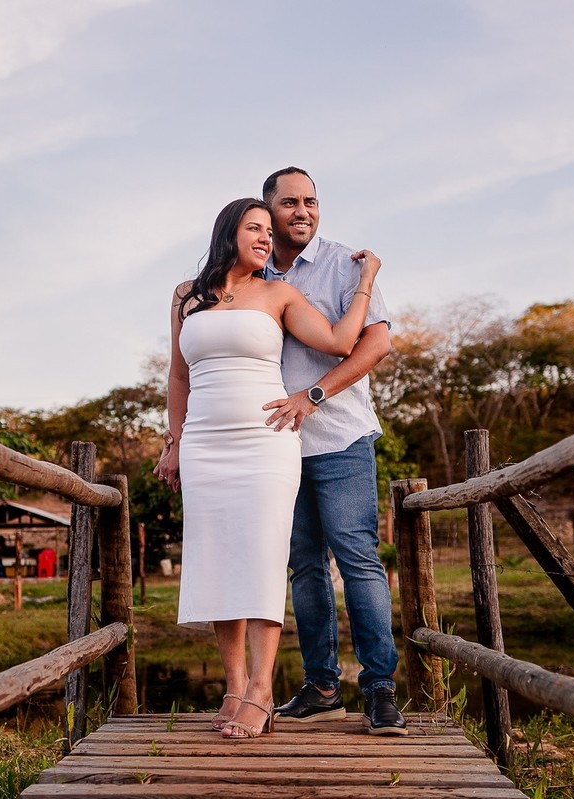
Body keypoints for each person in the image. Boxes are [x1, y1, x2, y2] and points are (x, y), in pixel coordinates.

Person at [154, 197, 382, 739]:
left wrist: (367, 278)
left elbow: (340, 341)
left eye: (267, 230)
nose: (264, 237)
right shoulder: (185, 296)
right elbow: (179, 376)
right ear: (228, 232)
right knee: (215, 562)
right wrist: (175, 442)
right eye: (254, 228)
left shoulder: (280, 293)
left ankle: (261, 689)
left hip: (266, 441)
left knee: (260, 560)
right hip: (206, 444)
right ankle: (233, 687)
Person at [259, 167, 406, 736]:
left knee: (359, 562)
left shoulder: (344, 263)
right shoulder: (254, 270)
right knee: (303, 568)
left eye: (311, 202)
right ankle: (321, 687)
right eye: (290, 202)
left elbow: (378, 341)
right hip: (276, 447)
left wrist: (314, 395)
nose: (303, 211)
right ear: (268, 209)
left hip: (340, 437)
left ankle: (379, 690)